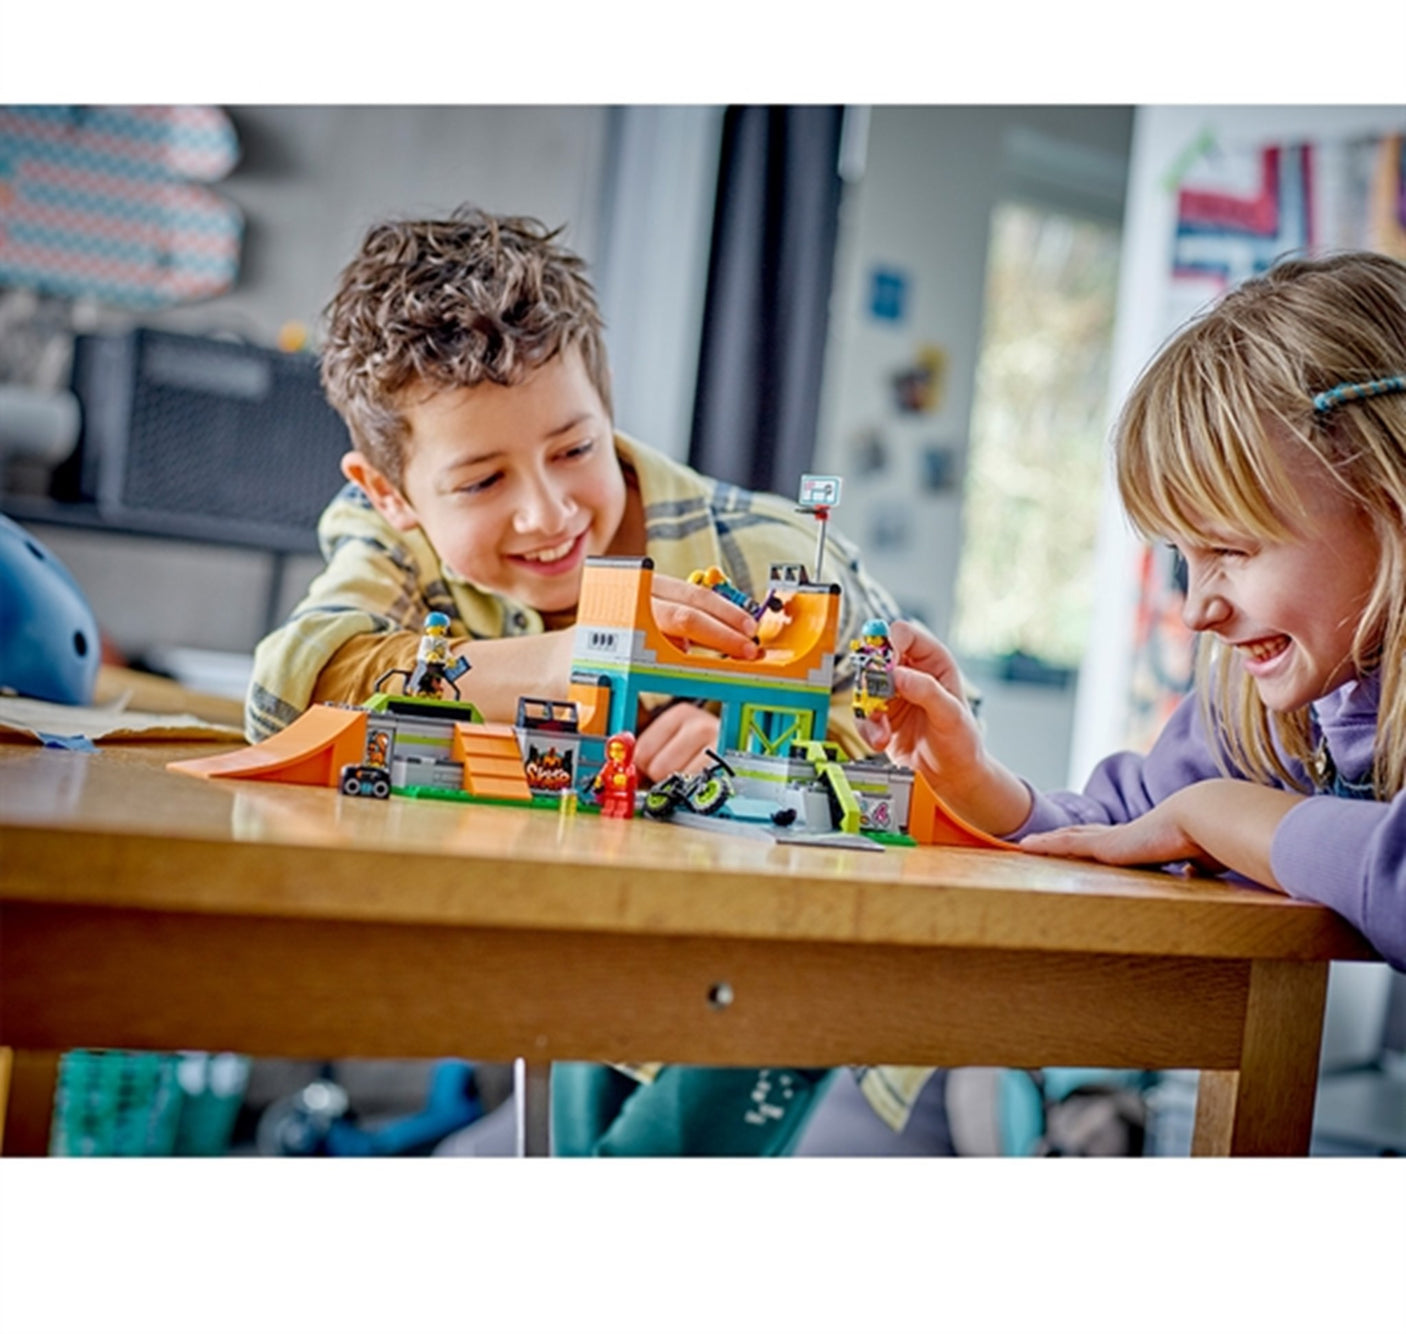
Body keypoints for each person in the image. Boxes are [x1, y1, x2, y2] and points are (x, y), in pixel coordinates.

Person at [246, 205, 931, 1152]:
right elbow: (287, 691)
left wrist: (750, 746)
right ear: (390, 494)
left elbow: (926, 762)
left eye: (574, 449)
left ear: (608, 414)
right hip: (586, 943)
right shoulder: (393, 541)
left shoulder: (773, 555)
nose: (548, 512)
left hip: (786, 962)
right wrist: (570, 655)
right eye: (482, 482)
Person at [859, 251, 1406, 973]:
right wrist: (971, 780)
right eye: (1185, 555)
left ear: (1387, 498)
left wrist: (1217, 815)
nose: (1199, 609)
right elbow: (1126, 831)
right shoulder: (1257, 703)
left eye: (1231, 550)